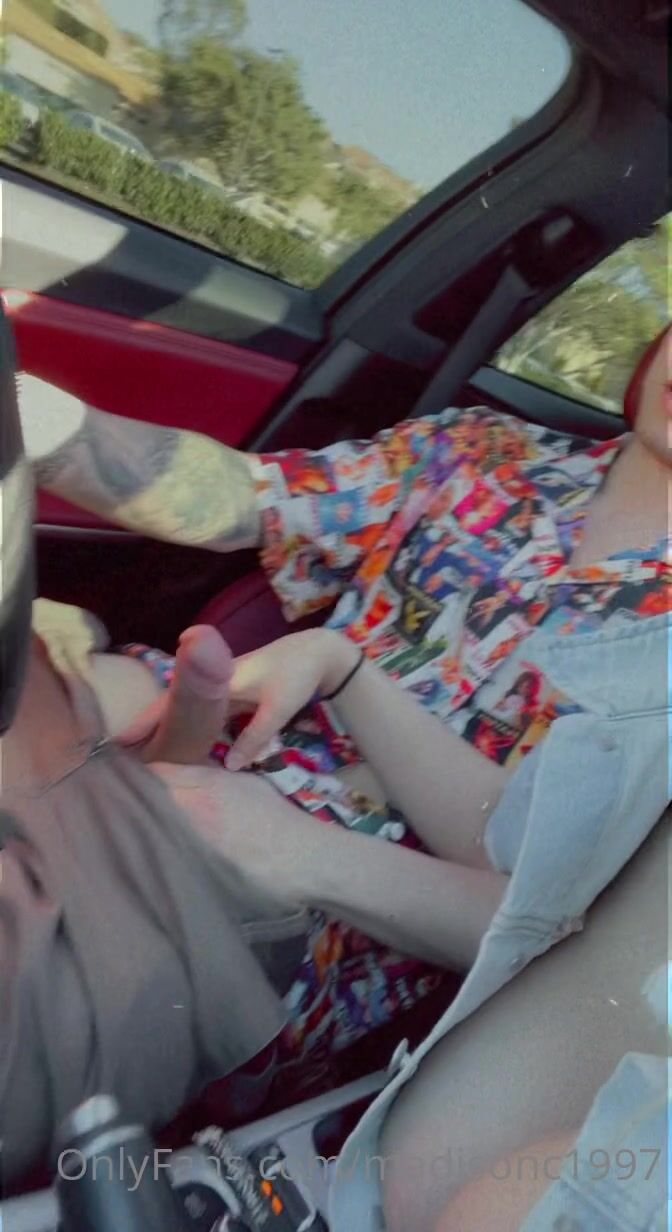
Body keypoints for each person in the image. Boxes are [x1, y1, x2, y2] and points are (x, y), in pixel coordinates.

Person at [13, 323, 671, 1210]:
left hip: (301, 923)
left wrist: (294, 846)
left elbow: (566, 937)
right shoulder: (484, 450)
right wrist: (43, 424)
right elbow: (249, 498)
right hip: (178, 740)